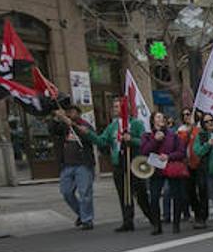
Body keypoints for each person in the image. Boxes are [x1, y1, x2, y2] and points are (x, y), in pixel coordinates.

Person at [92, 98, 156, 233]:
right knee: (123, 193)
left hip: (133, 162)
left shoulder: (136, 123)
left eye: (117, 106)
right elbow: (102, 141)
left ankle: (152, 217)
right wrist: (87, 133)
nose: (115, 109)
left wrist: (131, 139)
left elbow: (143, 142)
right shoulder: (112, 126)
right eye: (114, 106)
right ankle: (127, 221)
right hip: (119, 163)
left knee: (140, 192)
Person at [50, 96, 97, 229]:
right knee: (66, 192)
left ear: (78, 114)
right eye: (68, 112)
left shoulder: (84, 125)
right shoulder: (64, 127)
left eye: (72, 112)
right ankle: (82, 214)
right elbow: (53, 130)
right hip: (67, 165)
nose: (69, 114)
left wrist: (73, 125)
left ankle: (87, 220)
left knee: (85, 193)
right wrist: (56, 118)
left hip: (83, 164)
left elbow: (89, 136)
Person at [140, 110, 190, 233]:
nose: (161, 119)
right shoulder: (147, 136)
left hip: (171, 169)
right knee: (154, 198)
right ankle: (157, 225)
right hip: (156, 170)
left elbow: (181, 152)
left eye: (162, 117)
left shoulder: (173, 135)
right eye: (158, 117)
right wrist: (155, 140)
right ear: (153, 121)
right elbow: (144, 151)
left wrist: (168, 156)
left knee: (176, 196)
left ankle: (176, 224)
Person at [179, 107, 209, 228]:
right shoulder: (181, 130)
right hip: (187, 164)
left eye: (189, 114)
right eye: (184, 114)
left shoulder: (200, 129)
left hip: (200, 163)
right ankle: (197, 213)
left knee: (202, 189)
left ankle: (203, 216)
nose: (187, 116)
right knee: (190, 191)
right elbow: (181, 144)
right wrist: (188, 132)